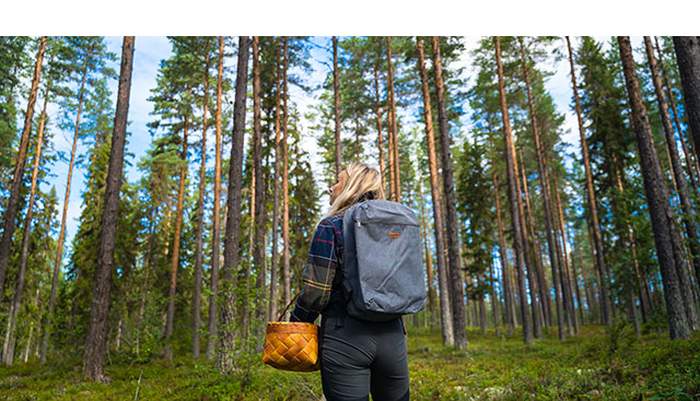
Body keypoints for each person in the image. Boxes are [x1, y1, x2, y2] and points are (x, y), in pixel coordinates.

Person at [289, 162, 410, 401]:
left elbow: (316, 291)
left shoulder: (332, 225)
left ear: (352, 186)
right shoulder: (398, 226)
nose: (331, 187)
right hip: (393, 336)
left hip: (345, 336)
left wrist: (297, 323)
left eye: (338, 181)